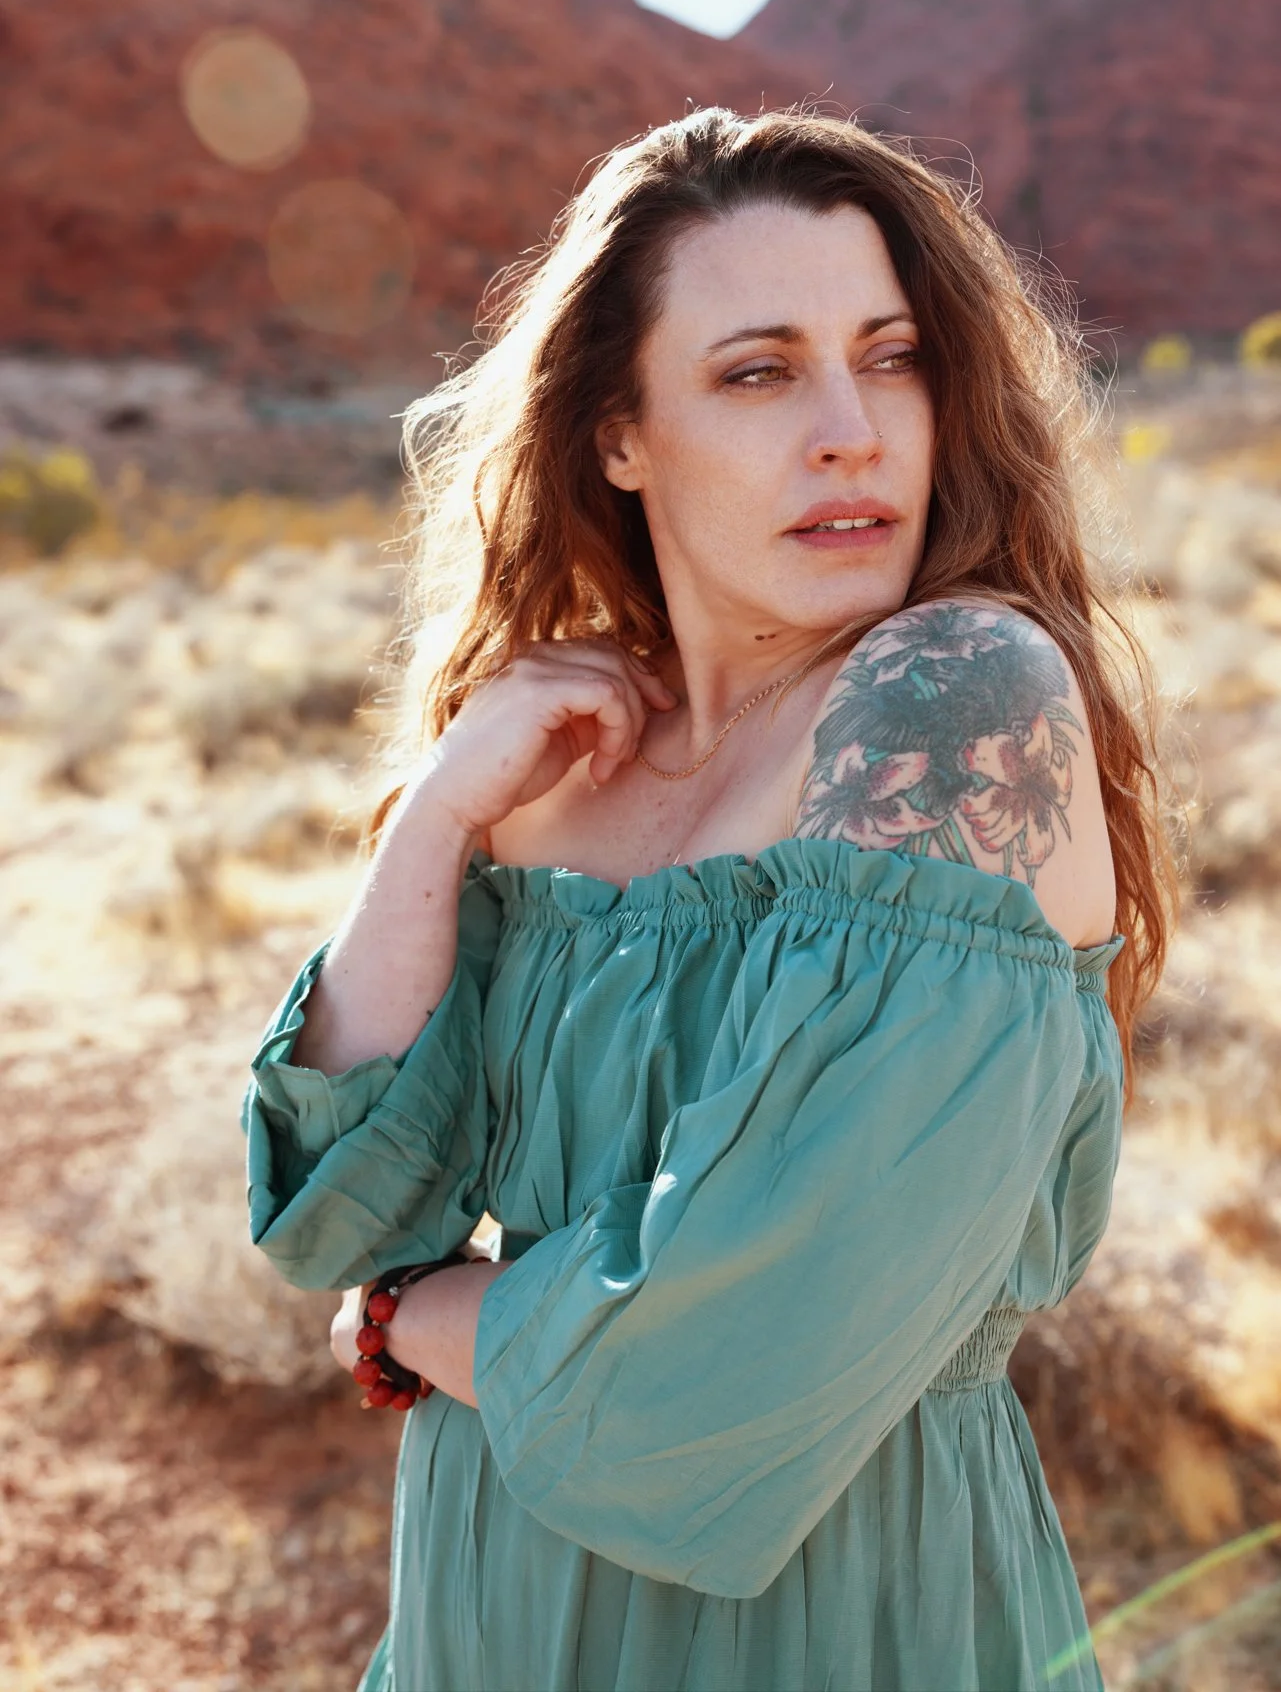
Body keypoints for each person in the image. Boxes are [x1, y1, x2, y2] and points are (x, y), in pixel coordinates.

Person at [242, 108, 1174, 1692]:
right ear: (620, 434)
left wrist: (413, 1315)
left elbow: (724, 1374)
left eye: (891, 358)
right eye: (758, 373)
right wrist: (443, 816)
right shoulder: (560, 757)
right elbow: (335, 1208)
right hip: (490, 1613)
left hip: (834, 1616)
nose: (852, 431)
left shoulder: (958, 700)